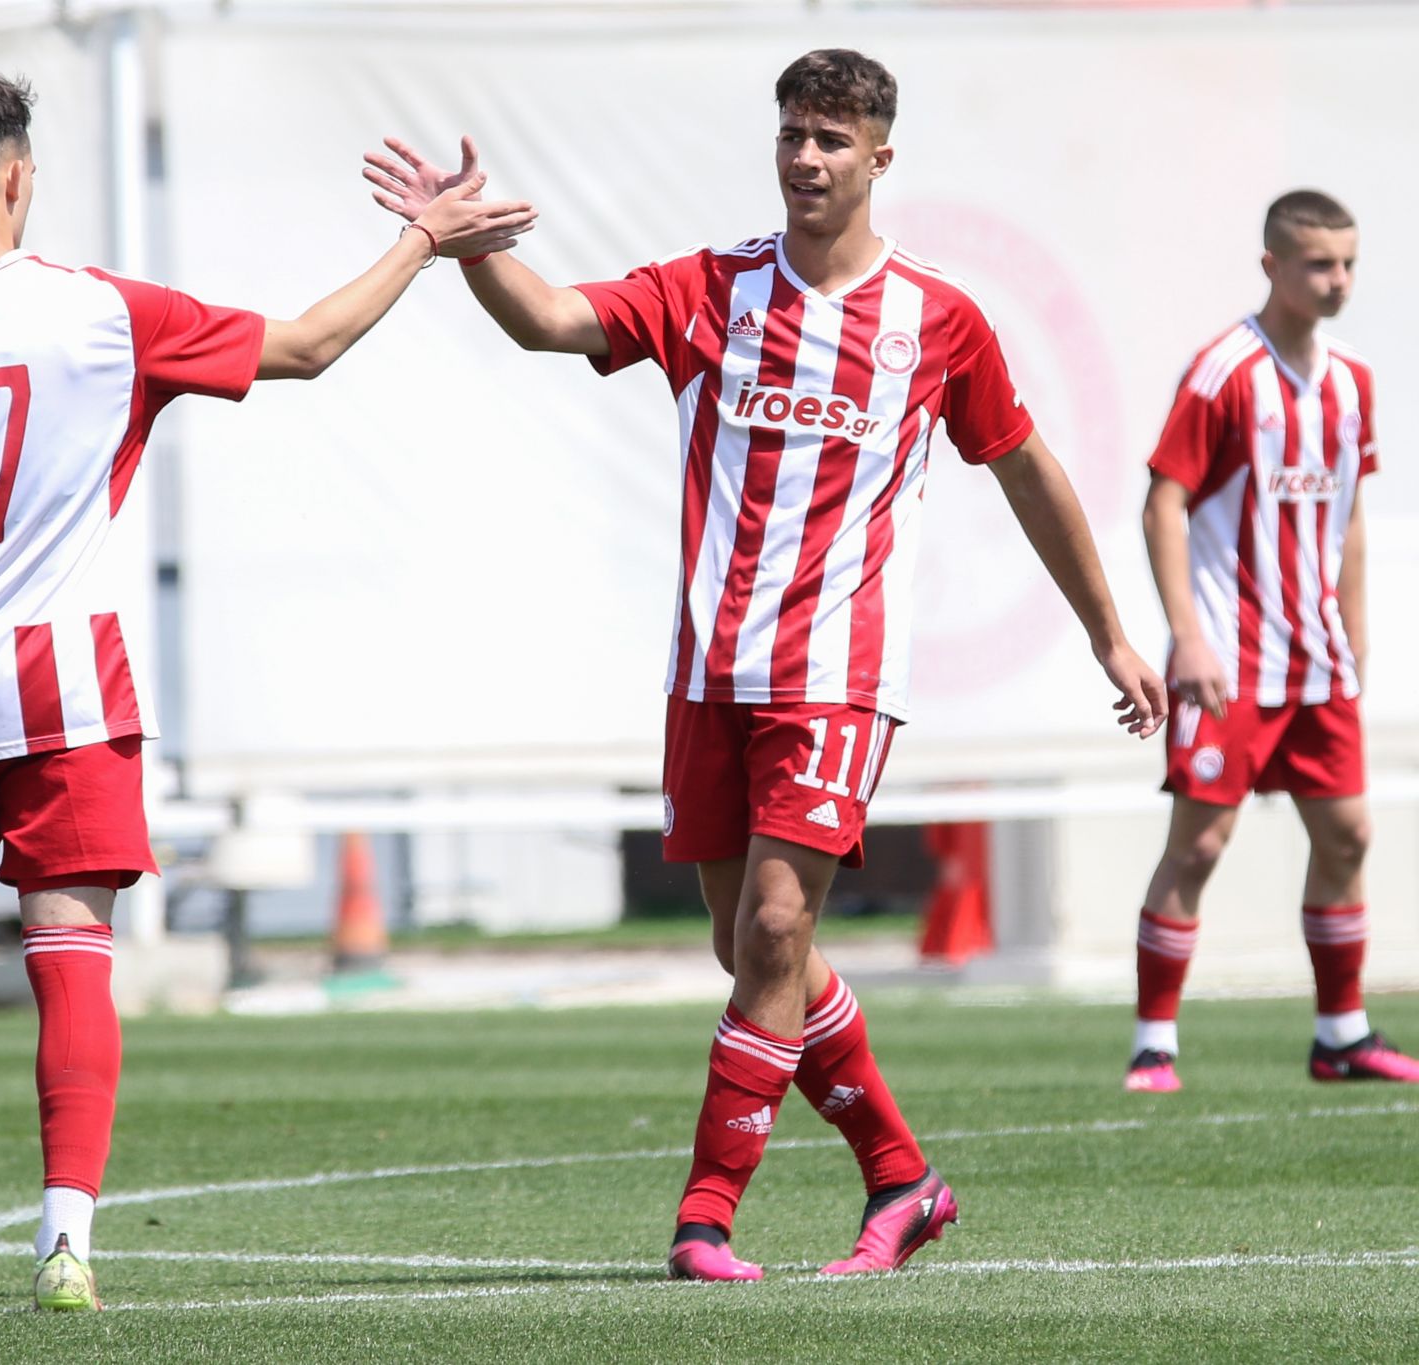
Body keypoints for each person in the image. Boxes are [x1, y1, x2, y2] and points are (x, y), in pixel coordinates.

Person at [0, 67, 533, 1312]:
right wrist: (422, 240)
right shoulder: (106, 311)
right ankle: (65, 1242)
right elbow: (308, 347)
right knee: (72, 954)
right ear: (18, 176)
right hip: (67, 681)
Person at [364, 48, 1165, 1281]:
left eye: (831, 140)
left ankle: (704, 1218)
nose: (805, 157)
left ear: (879, 158)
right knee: (752, 953)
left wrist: (1107, 630)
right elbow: (553, 321)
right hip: (708, 671)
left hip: (836, 675)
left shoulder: (936, 319)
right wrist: (459, 245)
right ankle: (903, 1179)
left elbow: (1023, 467)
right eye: (792, 133)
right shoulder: (712, 287)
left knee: (780, 924)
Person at [1126, 191, 1417, 1092]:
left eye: (1349, 263)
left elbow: (1349, 511)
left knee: (1349, 836)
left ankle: (1342, 1035)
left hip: (1317, 657)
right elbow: (1163, 503)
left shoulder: (1353, 379)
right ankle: (1154, 1043)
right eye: (1320, 264)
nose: (1338, 281)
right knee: (1199, 845)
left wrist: (1356, 626)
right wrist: (1187, 639)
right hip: (1229, 657)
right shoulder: (1223, 372)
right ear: (1273, 267)